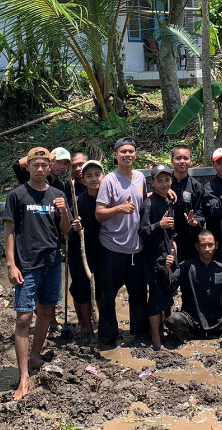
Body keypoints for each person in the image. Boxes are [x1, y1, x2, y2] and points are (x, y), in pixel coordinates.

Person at [2, 147, 72, 401]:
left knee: (46, 311)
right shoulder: (17, 195)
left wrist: (64, 211)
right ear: (28, 167)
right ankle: (23, 376)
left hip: (52, 262)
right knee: (23, 319)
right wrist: (11, 264)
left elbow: (65, 230)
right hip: (27, 264)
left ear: (50, 166)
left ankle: (35, 354)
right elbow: (9, 231)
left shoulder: (58, 194)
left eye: (44, 164)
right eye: (36, 165)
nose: (40, 169)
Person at [95, 137, 148, 346]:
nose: (127, 155)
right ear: (115, 155)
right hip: (112, 246)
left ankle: (139, 332)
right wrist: (119, 209)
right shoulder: (109, 180)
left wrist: (163, 193)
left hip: (136, 247)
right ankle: (109, 336)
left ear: (135, 154)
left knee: (138, 293)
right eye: (123, 151)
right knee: (108, 295)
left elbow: (142, 201)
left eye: (131, 151)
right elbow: (99, 214)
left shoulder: (141, 178)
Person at [164, 230, 222, 341]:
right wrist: (167, 269)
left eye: (210, 245)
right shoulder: (187, 266)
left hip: (218, 320)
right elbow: (171, 284)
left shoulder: (221, 268)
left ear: (216, 245)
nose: (207, 249)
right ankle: (191, 335)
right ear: (197, 246)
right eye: (203, 245)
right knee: (174, 320)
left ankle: (216, 335)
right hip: (193, 320)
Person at [138, 165, 176, 350]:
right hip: (153, 258)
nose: (163, 184)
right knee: (155, 296)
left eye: (166, 180)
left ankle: (163, 329)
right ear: (152, 183)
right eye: (159, 180)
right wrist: (159, 225)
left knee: (167, 292)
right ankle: (155, 338)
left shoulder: (169, 201)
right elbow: (143, 231)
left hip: (167, 254)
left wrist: (173, 244)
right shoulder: (148, 204)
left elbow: (171, 230)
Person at [68, 160, 104, 342]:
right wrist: (74, 228)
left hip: (103, 253)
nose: (94, 179)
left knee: (101, 292)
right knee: (82, 292)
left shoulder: (107, 199)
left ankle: (103, 326)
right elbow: (67, 231)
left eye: (97, 175)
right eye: (89, 176)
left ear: (103, 177)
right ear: (82, 180)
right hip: (82, 254)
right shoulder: (78, 202)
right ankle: (88, 329)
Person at [169, 145, 204, 262]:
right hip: (168, 237)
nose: (182, 161)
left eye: (186, 158)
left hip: (190, 239)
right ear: (172, 160)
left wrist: (195, 221)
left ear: (191, 161)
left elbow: (200, 211)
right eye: (178, 158)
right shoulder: (165, 184)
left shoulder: (196, 186)